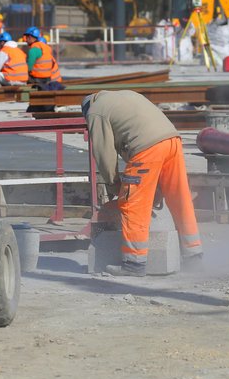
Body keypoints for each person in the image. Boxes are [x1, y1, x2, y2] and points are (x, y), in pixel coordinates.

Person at [82, 90, 203, 277]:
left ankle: (133, 263)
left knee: (132, 204)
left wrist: (114, 184)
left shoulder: (95, 111)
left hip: (147, 147)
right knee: (180, 198)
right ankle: (193, 254)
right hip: (172, 141)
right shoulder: (126, 95)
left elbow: (104, 153)